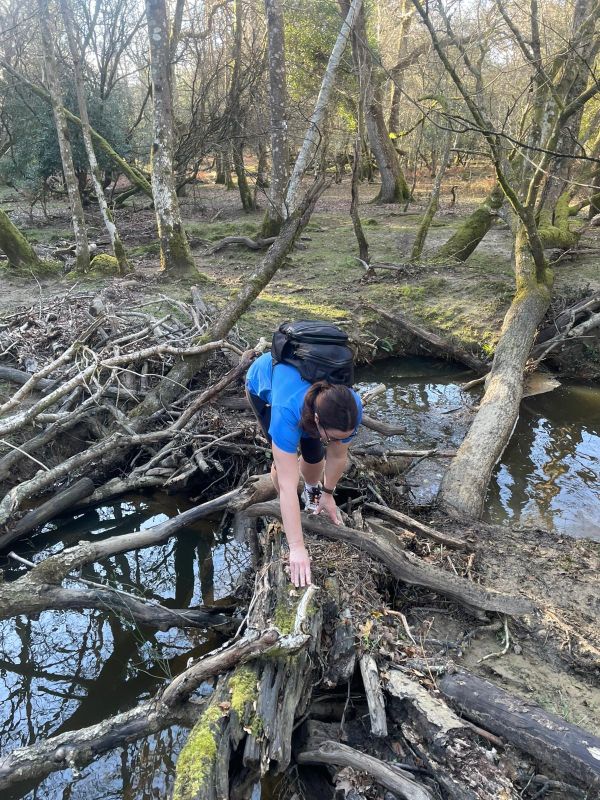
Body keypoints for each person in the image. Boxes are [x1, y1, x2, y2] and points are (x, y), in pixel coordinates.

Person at [246, 351, 362, 588]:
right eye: (333, 437)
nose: (338, 441)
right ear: (317, 420)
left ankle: (312, 491)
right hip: (263, 386)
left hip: (310, 405)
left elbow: (338, 453)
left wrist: (328, 492)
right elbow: (289, 485)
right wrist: (297, 548)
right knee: (284, 466)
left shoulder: (352, 408)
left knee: (314, 451)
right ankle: (287, 511)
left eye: (345, 436)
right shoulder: (285, 413)